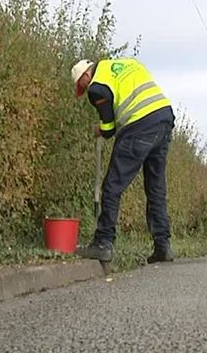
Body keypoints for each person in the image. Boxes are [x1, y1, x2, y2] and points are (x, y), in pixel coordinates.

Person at [71, 57, 175, 263]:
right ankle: (163, 246)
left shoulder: (96, 87)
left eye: (80, 86)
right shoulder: (125, 64)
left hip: (140, 125)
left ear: (85, 76)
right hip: (164, 118)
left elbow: (108, 129)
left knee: (112, 185)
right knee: (155, 188)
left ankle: (103, 242)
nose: (83, 91)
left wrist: (100, 129)